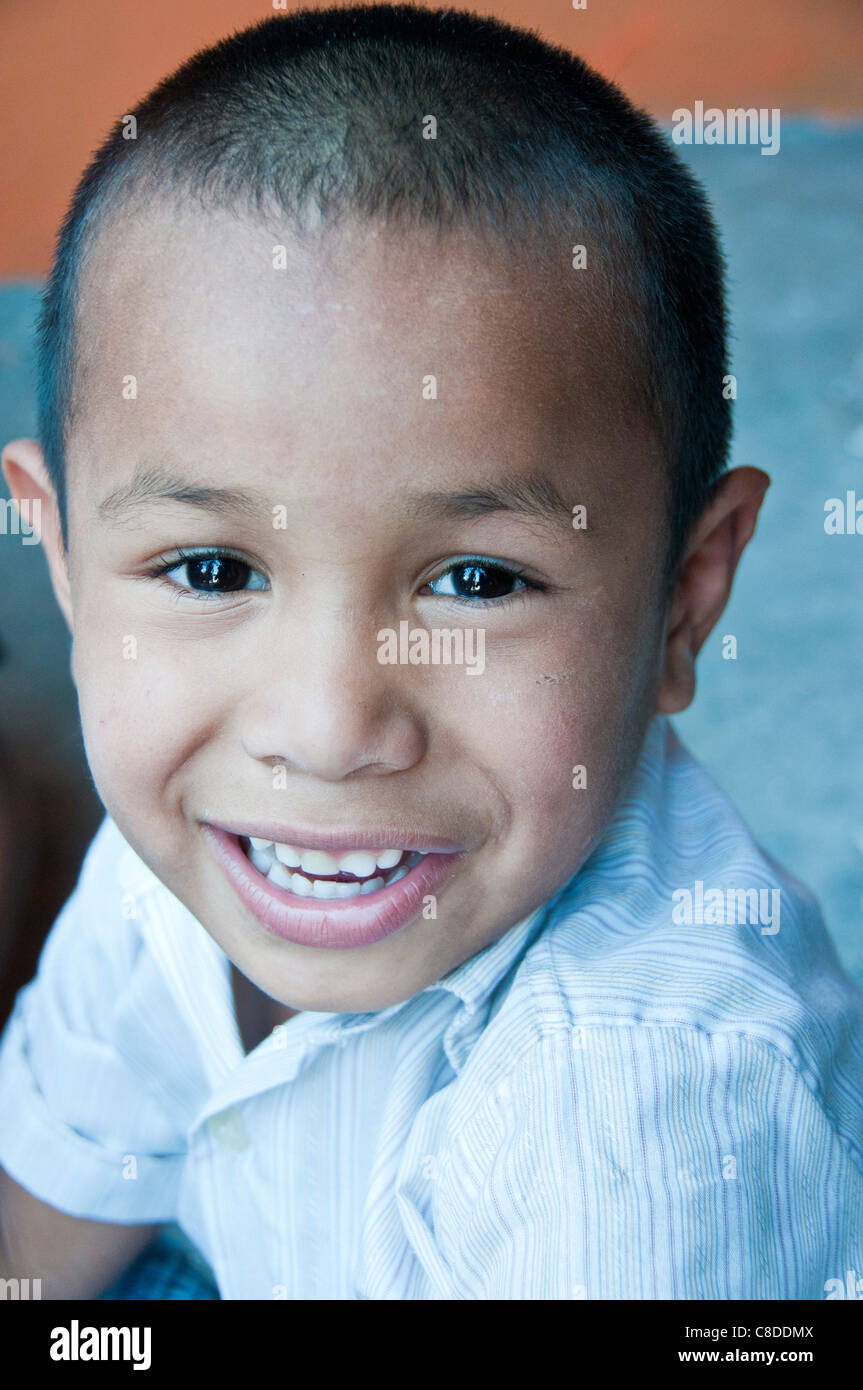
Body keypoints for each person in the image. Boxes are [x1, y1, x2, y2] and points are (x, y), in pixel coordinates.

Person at [1, 4, 861, 1299]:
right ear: (64, 561)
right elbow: (40, 1236)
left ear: (686, 600)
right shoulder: (172, 846)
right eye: (211, 569)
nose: (326, 727)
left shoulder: (636, 1121)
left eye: (476, 579)